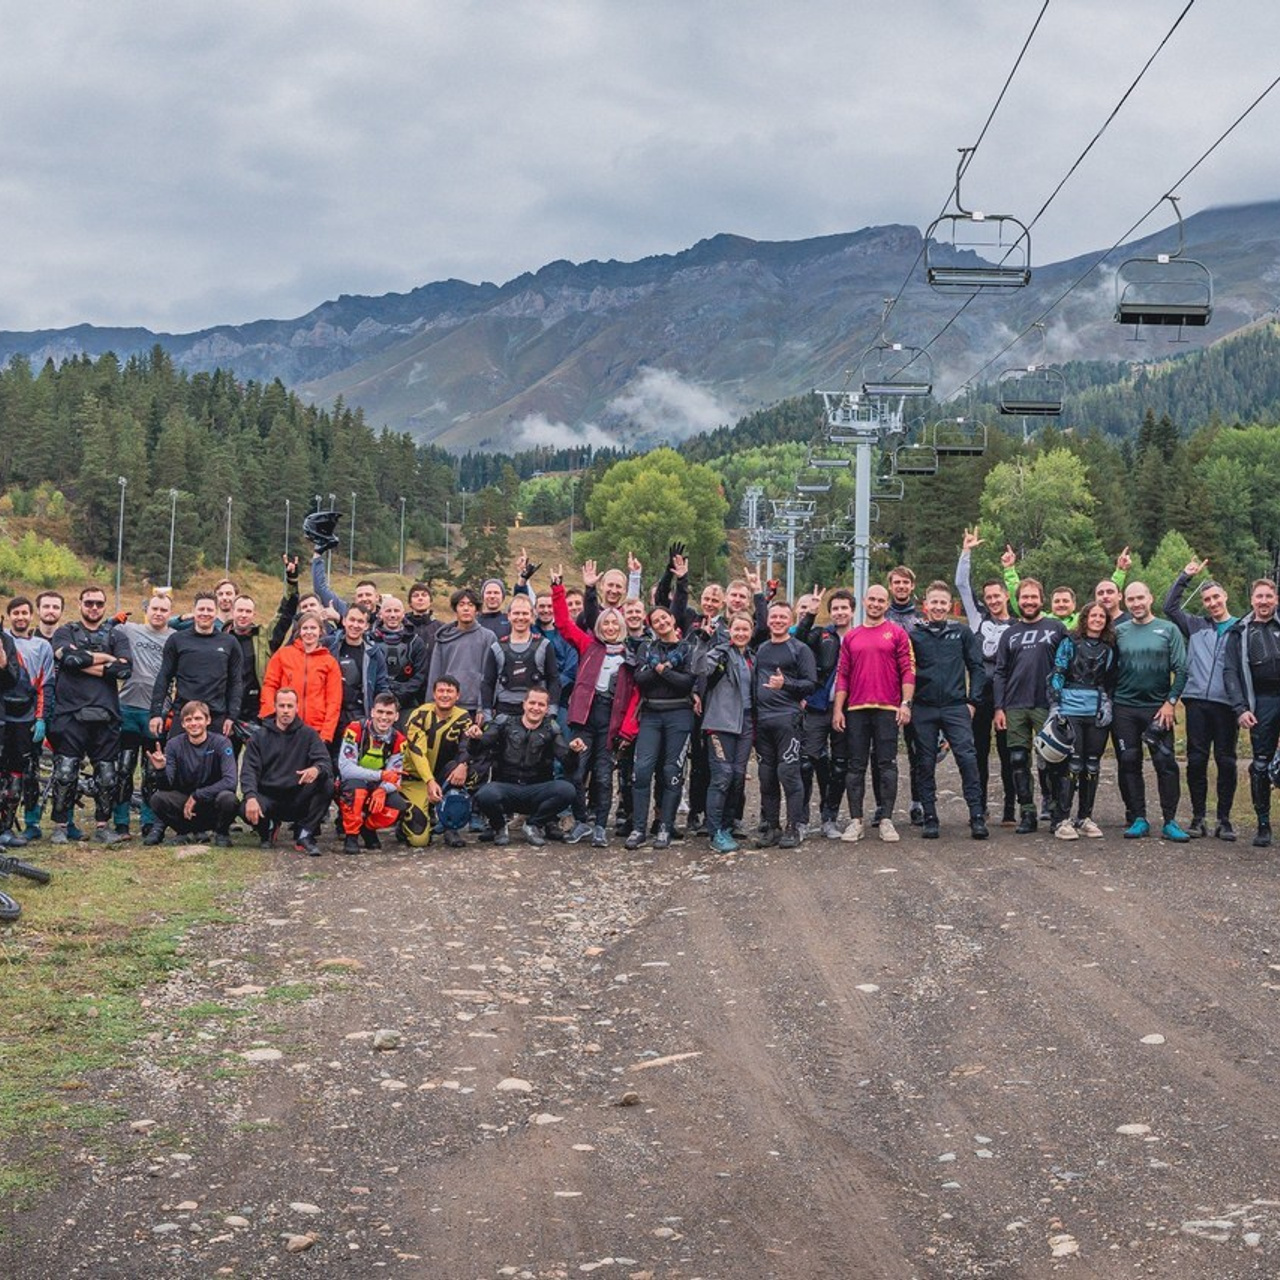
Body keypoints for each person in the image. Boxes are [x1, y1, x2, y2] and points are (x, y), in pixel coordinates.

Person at [552, 571, 638, 848]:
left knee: (603, 775)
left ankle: (601, 825)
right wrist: (558, 589)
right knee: (576, 772)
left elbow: (636, 696)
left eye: (615, 623)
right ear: (599, 626)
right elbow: (564, 624)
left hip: (610, 721)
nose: (611, 627)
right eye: (606, 623)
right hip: (584, 718)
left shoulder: (630, 655)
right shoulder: (588, 644)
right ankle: (581, 822)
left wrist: (627, 730)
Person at [48, 586, 134, 845]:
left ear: (105, 606)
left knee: (107, 775)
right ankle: (61, 826)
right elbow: (67, 659)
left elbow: (124, 671)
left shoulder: (116, 635)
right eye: (89, 603)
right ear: (80, 604)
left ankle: (102, 826)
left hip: (106, 713)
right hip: (70, 713)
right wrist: (107, 660)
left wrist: (84, 660)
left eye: (98, 603)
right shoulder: (65, 631)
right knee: (65, 772)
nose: (94, 608)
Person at [832, 584, 915, 844]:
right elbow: (842, 675)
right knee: (855, 766)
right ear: (865, 602)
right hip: (856, 709)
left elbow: (908, 670)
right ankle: (856, 821)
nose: (876, 604)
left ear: (887, 604)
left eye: (881, 600)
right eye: (872, 599)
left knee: (887, 764)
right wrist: (838, 709)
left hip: (888, 708)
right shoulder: (852, 637)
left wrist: (906, 703)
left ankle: (886, 819)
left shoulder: (898, 633)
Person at [1164, 558, 1239, 840]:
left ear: (1225, 597)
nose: (1211, 603)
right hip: (1196, 702)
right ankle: (1198, 818)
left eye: (1216, 597)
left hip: (1227, 704)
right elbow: (1169, 607)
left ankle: (1225, 819)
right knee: (1196, 761)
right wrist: (1185, 575)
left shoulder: (1240, 628)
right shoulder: (1195, 625)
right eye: (1207, 599)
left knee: (1227, 761)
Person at [909, 581, 988, 840]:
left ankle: (977, 815)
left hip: (956, 706)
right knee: (925, 762)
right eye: (934, 602)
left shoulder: (962, 632)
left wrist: (973, 701)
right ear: (926, 605)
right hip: (924, 707)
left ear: (949, 605)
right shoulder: (914, 633)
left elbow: (977, 667)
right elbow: (904, 669)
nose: (939, 607)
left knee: (967, 758)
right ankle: (930, 816)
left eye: (943, 602)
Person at [1113, 582, 1189, 841]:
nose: (1136, 604)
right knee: (1128, 761)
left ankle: (1170, 821)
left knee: (1165, 763)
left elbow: (1182, 669)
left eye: (1140, 598)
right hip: (1124, 708)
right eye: (1131, 599)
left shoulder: (1169, 630)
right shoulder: (1118, 631)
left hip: (1158, 709)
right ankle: (1138, 818)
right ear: (1125, 602)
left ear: (1150, 598)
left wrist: (1170, 702)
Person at [992, 579, 1067, 834]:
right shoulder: (1009, 633)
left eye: (1034, 597)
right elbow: (1000, 672)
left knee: (1052, 761)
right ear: (1017, 600)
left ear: (1041, 600)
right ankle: (1027, 812)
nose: (1029, 601)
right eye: (1024, 597)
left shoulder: (1056, 628)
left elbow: (1068, 664)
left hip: (1047, 703)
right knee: (1017, 759)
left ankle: (1057, 812)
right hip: (1015, 705)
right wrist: (998, 707)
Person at [469, 688, 582, 846]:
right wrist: (475, 737)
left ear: (547, 709)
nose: (536, 708)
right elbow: (479, 747)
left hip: (536, 791)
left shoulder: (551, 729)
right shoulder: (504, 722)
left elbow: (568, 764)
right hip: (507, 789)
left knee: (567, 790)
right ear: (524, 704)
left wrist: (573, 751)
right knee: (484, 794)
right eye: (532, 703)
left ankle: (533, 824)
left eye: (541, 705)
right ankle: (499, 826)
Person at [956, 528, 1016, 824]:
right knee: (978, 752)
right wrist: (966, 552)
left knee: (1010, 754)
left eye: (997, 596)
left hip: (1008, 696)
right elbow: (961, 585)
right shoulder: (978, 618)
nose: (992, 600)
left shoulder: (1018, 624)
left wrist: (1010, 569)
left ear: (1006, 596)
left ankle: (1010, 808)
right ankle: (978, 807)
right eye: (988, 597)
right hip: (980, 694)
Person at [625, 606, 697, 850]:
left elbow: (687, 682)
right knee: (642, 770)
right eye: (656, 621)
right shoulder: (647, 647)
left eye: (664, 618)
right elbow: (640, 679)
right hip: (652, 714)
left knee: (671, 772)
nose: (661, 622)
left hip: (680, 714)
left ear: (673, 619)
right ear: (652, 626)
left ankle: (665, 825)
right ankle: (638, 828)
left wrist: (658, 669)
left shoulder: (687, 648)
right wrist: (667, 671)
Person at [1048, 603, 1117, 839]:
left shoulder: (1109, 648)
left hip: (1095, 708)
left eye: (1101, 616)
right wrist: (1056, 704)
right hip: (1071, 706)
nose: (1097, 619)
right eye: (1093, 615)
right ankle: (1062, 819)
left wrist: (1107, 704)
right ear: (1084, 618)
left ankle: (1085, 816)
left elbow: (1110, 680)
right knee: (1072, 764)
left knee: (1092, 765)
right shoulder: (1070, 642)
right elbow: (1058, 672)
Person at [751, 601, 817, 849]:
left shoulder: (799, 649)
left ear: (790, 621)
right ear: (768, 620)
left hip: (788, 721)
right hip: (763, 722)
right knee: (766, 777)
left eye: (783, 617)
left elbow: (810, 684)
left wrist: (786, 684)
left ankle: (793, 826)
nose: (777, 620)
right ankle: (772, 827)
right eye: (774, 616)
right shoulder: (761, 649)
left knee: (789, 774)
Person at [239, 687, 333, 855]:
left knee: (327, 783)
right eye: (281, 706)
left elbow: (325, 762)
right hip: (268, 797)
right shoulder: (259, 737)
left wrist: (316, 769)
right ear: (274, 707)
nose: (286, 711)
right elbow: (248, 771)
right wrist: (251, 797)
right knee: (245, 806)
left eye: (290, 706)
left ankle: (305, 833)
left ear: (297, 707)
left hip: (297, 797)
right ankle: (267, 829)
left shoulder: (309, 734)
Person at [1224, 578, 1280, 848]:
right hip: (1262, 702)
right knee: (1260, 765)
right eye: (1259, 597)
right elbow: (1231, 672)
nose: (1264, 601)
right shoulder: (1239, 632)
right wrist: (1240, 708)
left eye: (1268, 596)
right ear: (1252, 600)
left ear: (1276, 599)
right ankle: (1263, 825)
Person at [794, 588, 854, 840]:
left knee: (840, 766)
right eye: (836, 608)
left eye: (844, 608)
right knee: (806, 762)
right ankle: (801, 819)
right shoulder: (821, 634)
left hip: (849, 709)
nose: (840, 612)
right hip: (818, 706)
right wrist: (809, 615)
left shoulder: (859, 636)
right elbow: (799, 641)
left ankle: (829, 818)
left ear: (852, 611)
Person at [113, 594, 174, 838]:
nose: (159, 613)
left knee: (151, 772)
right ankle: (121, 820)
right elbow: (106, 627)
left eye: (164, 610)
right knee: (123, 768)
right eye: (155, 608)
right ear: (146, 610)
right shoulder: (129, 630)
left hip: (156, 712)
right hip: (126, 706)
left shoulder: (174, 638)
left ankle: (149, 820)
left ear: (171, 613)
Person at [148, 591, 244, 740]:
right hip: (183, 716)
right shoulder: (177, 640)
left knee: (214, 763)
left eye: (210, 610)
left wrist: (232, 716)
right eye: (201, 609)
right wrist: (156, 713)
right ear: (193, 611)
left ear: (216, 612)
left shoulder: (230, 643)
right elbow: (164, 677)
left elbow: (236, 682)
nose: (205, 613)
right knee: (177, 762)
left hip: (215, 717)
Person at [697, 612, 756, 853]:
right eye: (737, 629)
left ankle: (728, 825)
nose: (741, 633)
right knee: (722, 776)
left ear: (751, 632)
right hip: (720, 723)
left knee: (737, 777)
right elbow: (700, 668)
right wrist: (702, 641)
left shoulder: (752, 657)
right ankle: (715, 832)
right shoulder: (720, 653)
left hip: (745, 723)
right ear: (729, 630)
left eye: (746, 629)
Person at [144, 700, 238, 847]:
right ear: (182, 724)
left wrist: (198, 795)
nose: (193, 723)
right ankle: (183, 832)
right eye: (188, 720)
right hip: (185, 805)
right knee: (158, 799)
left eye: (198, 718)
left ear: (208, 720)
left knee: (229, 799)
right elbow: (166, 786)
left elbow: (230, 781)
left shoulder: (221, 743)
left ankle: (222, 833)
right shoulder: (174, 745)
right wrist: (161, 770)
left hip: (212, 802)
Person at [400, 676, 474, 849]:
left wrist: (463, 765)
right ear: (433, 694)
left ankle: (451, 826)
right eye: (441, 691)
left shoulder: (463, 717)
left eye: (450, 691)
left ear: (458, 695)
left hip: (443, 775)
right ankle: (405, 822)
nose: (445, 695)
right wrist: (429, 781)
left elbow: (467, 746)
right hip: (417, 779)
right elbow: (417, 752)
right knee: (420, 841)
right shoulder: (420, 714)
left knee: (466, 770)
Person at [3, 598, 54, 847]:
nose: (20, 617)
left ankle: (7, 827)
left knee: (18, 775)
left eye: (24, 612)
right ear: (9, 615)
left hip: (25, 717)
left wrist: (41, 718)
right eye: (16, 613)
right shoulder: (2, 639)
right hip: (2, 714)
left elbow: (45, 685)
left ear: (31, 615)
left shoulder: (42, 646)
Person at [337, 693, 408, 854]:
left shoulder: (399, 740)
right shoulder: (355, 729)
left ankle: (367, 828)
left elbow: (396, 777)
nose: (384, 717)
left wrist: (383, 789)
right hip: (352, 784)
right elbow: (346, 769)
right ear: (372, 712)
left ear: (396, 716)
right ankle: (351, 835)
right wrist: (381, 776)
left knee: (397, 808)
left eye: (389, 713)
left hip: (377, 786)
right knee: (357, 791)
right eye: (380, 712)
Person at [259, 611, 344, 743]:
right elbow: (270, 685)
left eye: (313, 628)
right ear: (299, 631)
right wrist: (270, 716)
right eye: (305, 628)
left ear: (321, 631)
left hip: (315, 730)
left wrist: (327, 734)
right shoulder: (283, 655)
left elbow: (334, 701)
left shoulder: (329, 662)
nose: (309, 632)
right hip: (285, 727)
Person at [322, 604, 391, 747]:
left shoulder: (374, 654)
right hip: (327, 713)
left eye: (360, 622)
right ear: (344, 621)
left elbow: (381, 686)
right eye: (352, 620)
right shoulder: (328, 646)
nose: (355, 625)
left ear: (366, 626)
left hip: (358, 714)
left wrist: (384, 712)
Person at [482, 595, 560, 721]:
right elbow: (487, 682)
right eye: (516, 613)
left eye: (525, 613)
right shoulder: (497, 647)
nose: (520, 617)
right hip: (504, 713)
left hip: (536, 714)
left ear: (532, 616)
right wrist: (487, 715)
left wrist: (551, 713)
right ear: (509, 616)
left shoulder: (544, 645)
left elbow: (554, 680)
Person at [426, 588, 493, 718]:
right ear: (455, 609)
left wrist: (482, 707)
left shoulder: (488, 637)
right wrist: (431, 704)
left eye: (470, 605)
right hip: (447, 705)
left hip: (474, 707)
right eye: (461, 605)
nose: (466, 609)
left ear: (477, 609)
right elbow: (435, 673)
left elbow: (488, 677)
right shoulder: (443, 638)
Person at [372, 596, 430, 723]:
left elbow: (421, 675)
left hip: (407, 702)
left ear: (403, 614)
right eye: (388, 611)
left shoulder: (416, 642)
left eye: (396, 611)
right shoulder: (370, 640)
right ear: (380, 614)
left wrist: (400, 694)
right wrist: (383, 694)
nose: (392, 615)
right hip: (376, 702)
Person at [312, 553, 380, 625]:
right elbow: (320, 589)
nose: (364, 598)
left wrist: (339, 618)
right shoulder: (345, 610)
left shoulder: (386, 615)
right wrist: (318, 554)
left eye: (368, 594)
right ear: (355, 599)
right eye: (360, 595)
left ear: (377, 597)